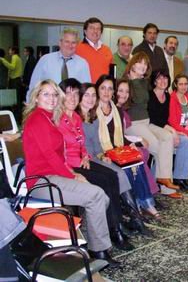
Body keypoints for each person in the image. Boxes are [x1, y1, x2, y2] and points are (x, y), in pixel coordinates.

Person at [22, 79, 118, 266]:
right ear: (36, 98)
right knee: (97, 195)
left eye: (54, 94)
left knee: (102, 198)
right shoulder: (38, 119)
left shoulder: (48, 118)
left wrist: (70, 172)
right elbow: (50, 156)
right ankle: (98, 251)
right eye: (46, 94)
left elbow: (59, 156)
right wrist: (73, 175)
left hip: (53, 176)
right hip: (42, 181)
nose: (51, 98)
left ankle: (90, 241)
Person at [58, 78, 133, 251]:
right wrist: (73, 168)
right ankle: (114, 230)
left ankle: (116, 227)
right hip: (70, 166)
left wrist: (85, 155)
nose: (73, 97)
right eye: (69, 93)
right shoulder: (58, 119)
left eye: (76, 93)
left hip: (81, 161)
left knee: (112, 176)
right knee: (106, 180)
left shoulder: (76, 117)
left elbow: (82, 143)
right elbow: (56, 151)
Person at [78, 82, 153, 229]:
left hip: (100, 154)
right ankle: (129, 216)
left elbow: (97, 145)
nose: (91, 98)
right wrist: (101, 155)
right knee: (118, 172)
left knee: (135, 161)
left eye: (93, 95)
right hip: (85, 159)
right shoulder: (76, 118)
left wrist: (101, 155)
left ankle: (138, 211)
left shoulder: (94, 117)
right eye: (87, 95)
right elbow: (79, 146)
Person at [93, 75, 160, 220]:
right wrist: (104, 154)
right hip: (102, 151)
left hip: (117, 149)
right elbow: (92, 139)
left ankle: (147, 204)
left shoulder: (116, 110)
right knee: (129, 166)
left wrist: (134, 145)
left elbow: (121, 137)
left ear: (113, 92)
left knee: (136, 159)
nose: (106, 92)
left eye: (110, 89)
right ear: (97, 90)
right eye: (103, 88)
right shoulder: (92, 110)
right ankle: (135, 205)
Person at [123, 52, 177, 193]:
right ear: (132, 63)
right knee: (158, 146)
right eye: (139, 62)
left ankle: (164, 182)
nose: (143, 66)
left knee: (167, 137)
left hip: (146, 122)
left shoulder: (145, 82)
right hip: (133, 124)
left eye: (145, 64)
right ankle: (161, 182)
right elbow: (130, 102)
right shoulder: (125, 82)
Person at [148, 71, 188, 192]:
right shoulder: (150, 95)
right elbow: (153, 118)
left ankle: (180, 177)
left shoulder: (168, 96)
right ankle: (160, 180)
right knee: (167, 141)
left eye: (165, 78)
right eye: (159, 79)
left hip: (164, 128)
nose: (163, 81)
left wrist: (175, 131)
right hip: (150, 127)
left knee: (184, 140)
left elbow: (169, 118)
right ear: (154, 81)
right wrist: (172, 131)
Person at [27, 28, 91, 101]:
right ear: (60, 43)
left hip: (72, 108)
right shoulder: (45, 60)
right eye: (67, 41)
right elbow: (33, 87)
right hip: (49, 107)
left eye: (73, 42)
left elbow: (86, 91)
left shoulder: (83, 64)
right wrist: (30, 106)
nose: (70, 45)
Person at [76, 17, 113, 83]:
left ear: (101, 32)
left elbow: (113, 72)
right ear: (85, 31)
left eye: (98, 29)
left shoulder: (107, 50)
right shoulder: (77, 49)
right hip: (85, 90)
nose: (95, 31)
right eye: (92, 28)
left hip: (104, 90)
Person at [1, 46, 23, 117]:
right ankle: (18, 116)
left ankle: (17, 116)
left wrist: (3, 60)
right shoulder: (18, 58)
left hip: (15, 80)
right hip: (17, 79)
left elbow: (12, 67)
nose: (9, 52)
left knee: (15, 99)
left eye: (10, 50)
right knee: (17, 98)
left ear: (13, 51)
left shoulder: (14, 57)